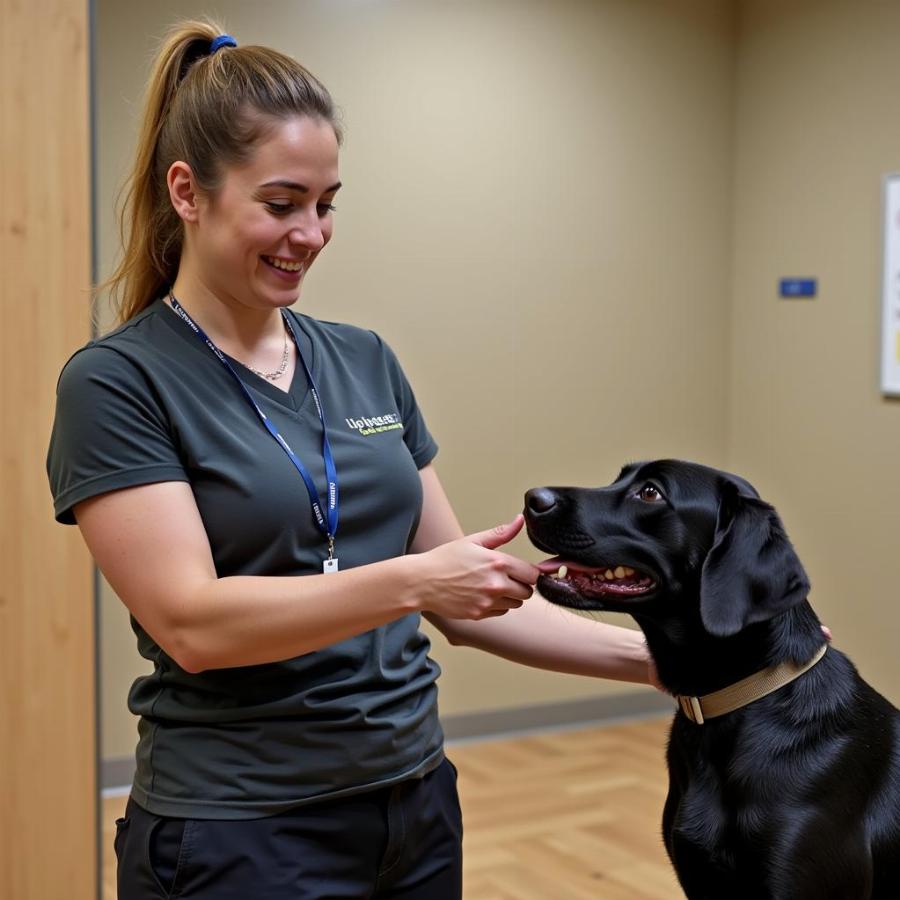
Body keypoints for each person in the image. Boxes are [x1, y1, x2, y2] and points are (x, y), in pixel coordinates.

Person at [47, 20, 657, 900]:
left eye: (327, 203)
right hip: (239, 832)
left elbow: (469, 598)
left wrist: (667, 658)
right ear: (187, 191)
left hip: (412, 808)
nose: (312, 233)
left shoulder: (363, 358)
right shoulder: (117, 382)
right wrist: (413, 583)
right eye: (282, 203)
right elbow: (193, 625)